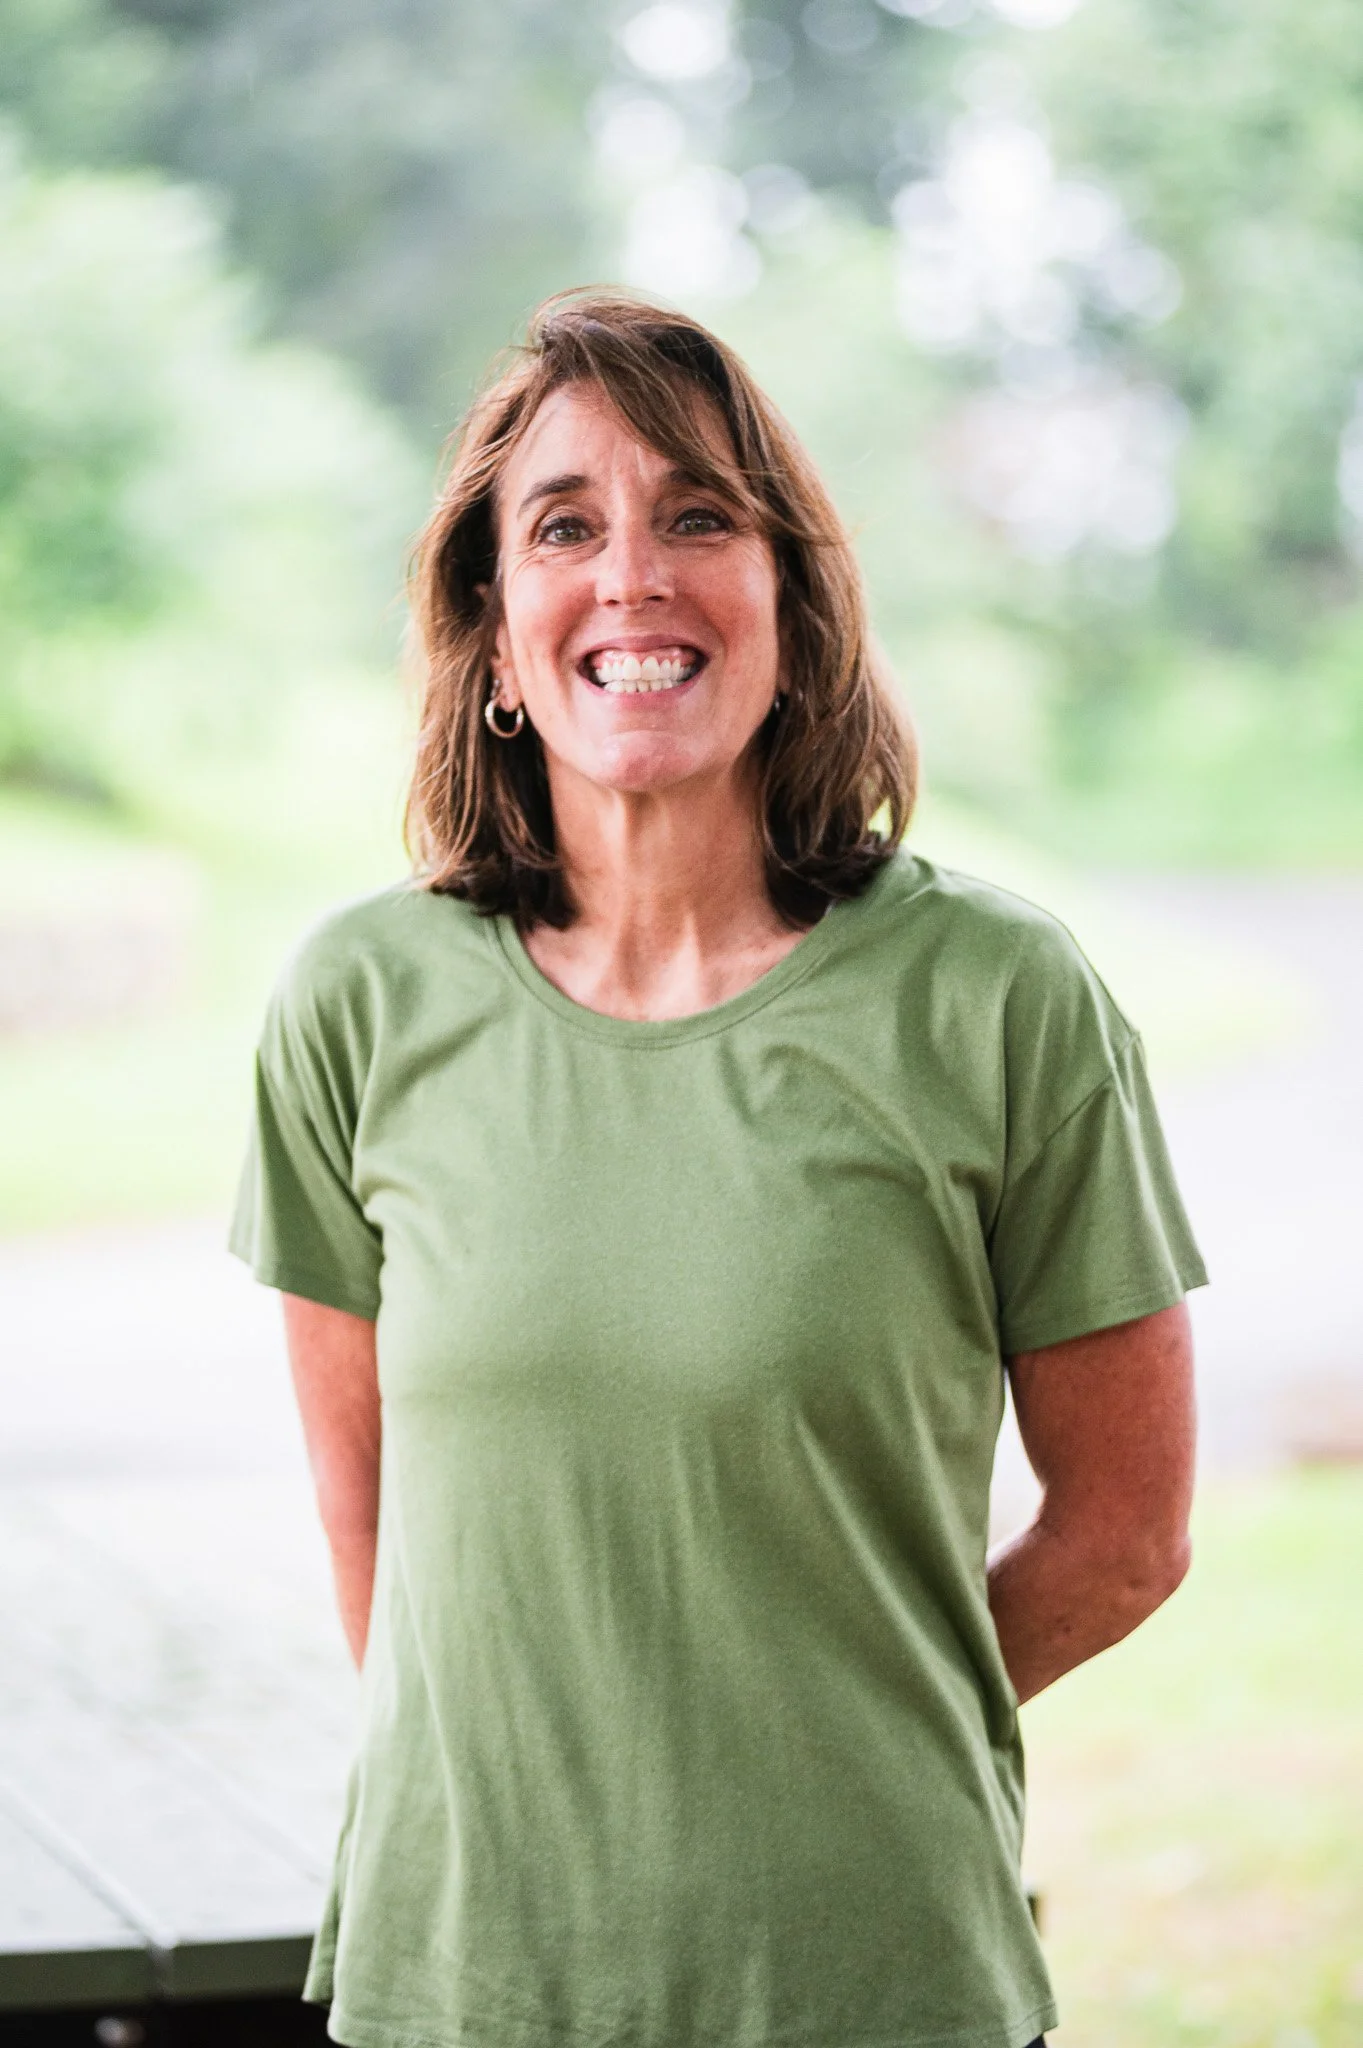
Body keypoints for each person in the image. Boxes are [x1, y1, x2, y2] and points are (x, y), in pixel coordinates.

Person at [232, 290, 1205, 2048]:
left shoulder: (996, 998)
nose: (631, 578)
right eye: (564, 527)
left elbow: (1127, 1535)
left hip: (870, 1974)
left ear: (791, 600)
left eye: (698, 516)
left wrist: (849, 1728)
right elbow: (367, 1506)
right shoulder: (357, 1004)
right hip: (460, 1981)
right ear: (493, 620)